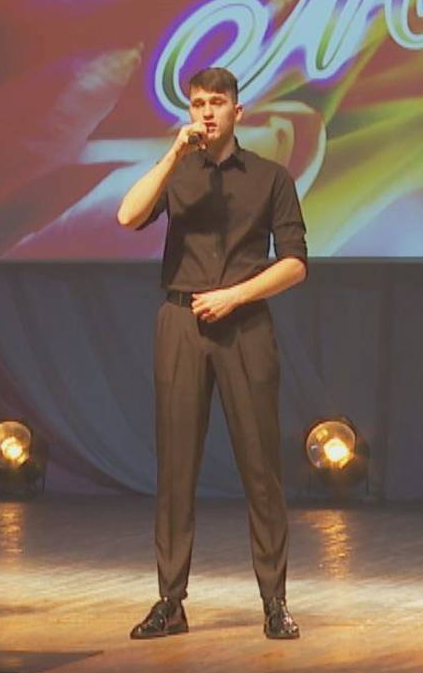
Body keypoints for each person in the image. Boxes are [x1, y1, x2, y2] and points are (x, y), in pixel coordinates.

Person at [115, 66, 307, 641]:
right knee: (176, 467)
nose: (206, 112)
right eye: (198, 103)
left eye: (216, 103)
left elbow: (295, 264)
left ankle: (274, 601)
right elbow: (127, 215)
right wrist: (174, 153)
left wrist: (235, 296)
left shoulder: (270, 177)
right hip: (181, 320)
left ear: (237, 112)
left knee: (261, 468)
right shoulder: (178, 170)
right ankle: (170, 601)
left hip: (243, 323)